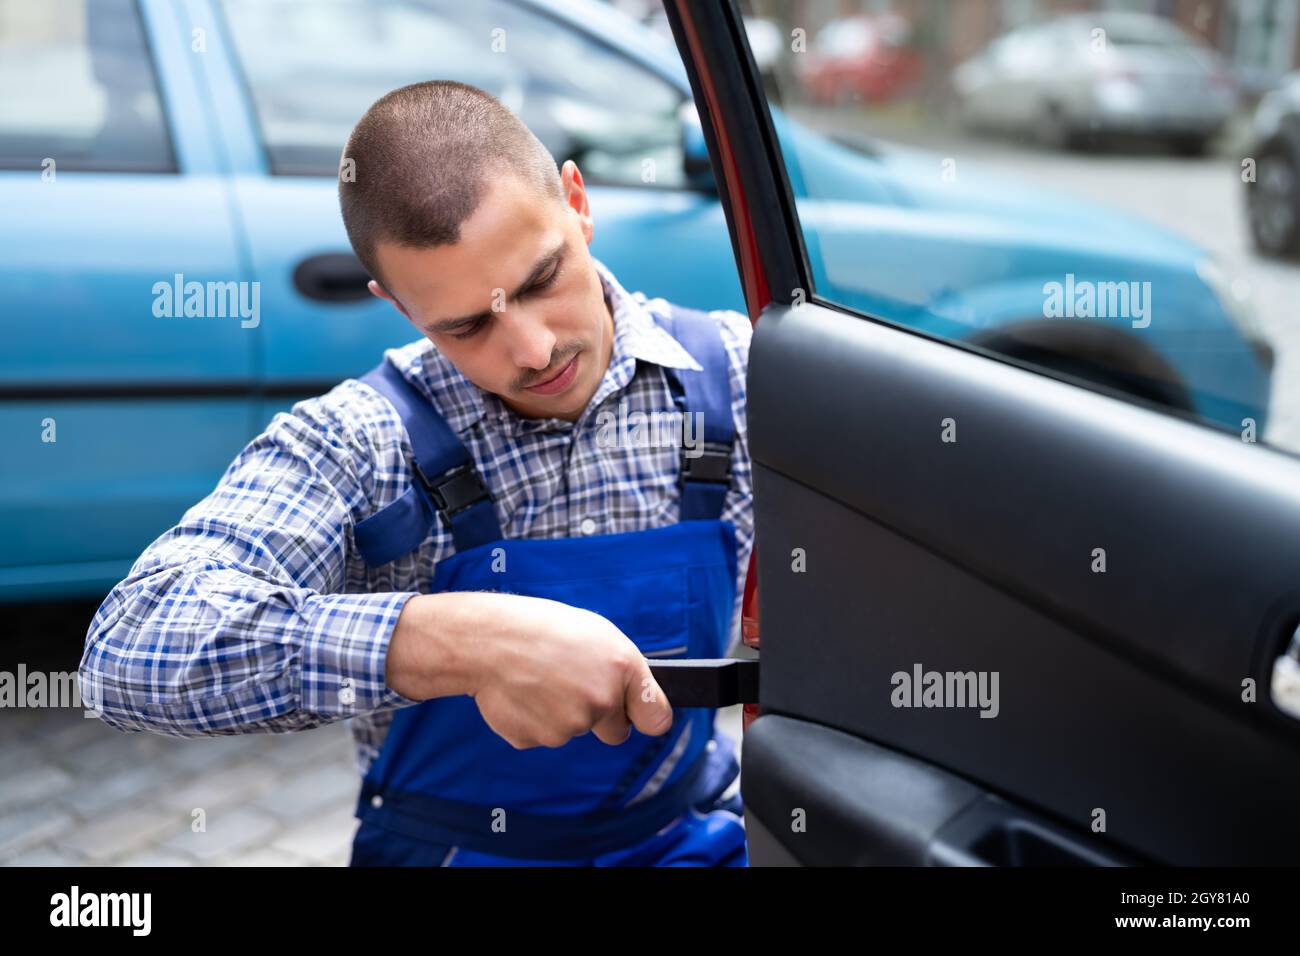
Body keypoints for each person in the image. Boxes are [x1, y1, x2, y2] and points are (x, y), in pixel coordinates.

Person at [81, 80, 754, 867]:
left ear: (578, 202)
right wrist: (459, 641)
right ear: (398, 307)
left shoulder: (733, 377)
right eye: (467, 325)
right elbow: (131, 646)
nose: (532, 350)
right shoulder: (360, 440)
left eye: (541, 279)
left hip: (684, 838)